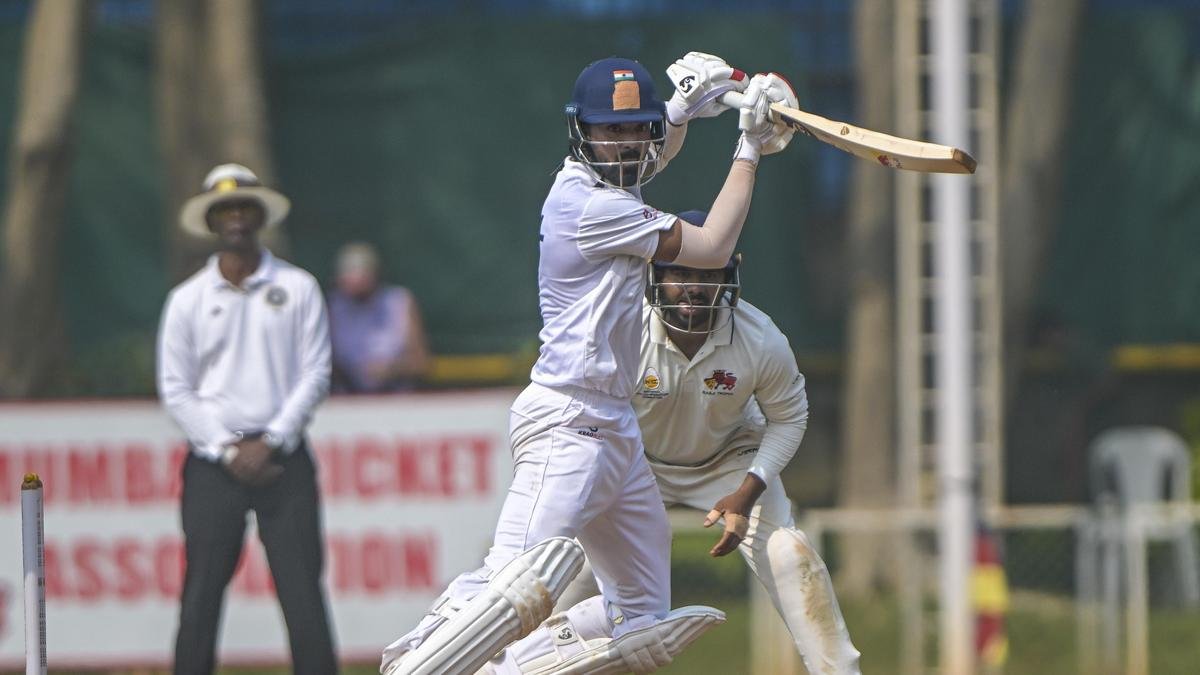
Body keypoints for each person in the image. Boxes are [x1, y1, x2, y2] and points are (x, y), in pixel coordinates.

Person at [379, 53, 796, 675]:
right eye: (610, 130)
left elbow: (646, 158)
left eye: (636, 128)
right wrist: (749, 148)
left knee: (643, 612)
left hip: (617, 430)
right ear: (582, 131)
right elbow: (711, 249)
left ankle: (523, 664)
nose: (625, 143)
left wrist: (680, 110)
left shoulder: (611, 187)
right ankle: (413, 661)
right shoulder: (591, 206)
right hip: (567, 422)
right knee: (508, 585)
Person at [534, 209, 862, 674]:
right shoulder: (621, 332)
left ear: (728, 276)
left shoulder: (760, 339)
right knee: (568, 569)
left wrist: (749, 490)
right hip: (636, 462)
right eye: (679, 274)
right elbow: (588, 413)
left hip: (729, 460)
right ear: (655, 275)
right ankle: (523, 663)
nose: (693, 287)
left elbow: (790, 418)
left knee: (790, 556)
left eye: (707, 275)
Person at [157, 163, 338, 675]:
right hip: (214, 466)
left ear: (259, 216)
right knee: (201, 593)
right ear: (211, 222)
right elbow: (175, 388)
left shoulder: (298, 287)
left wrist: (272, 440)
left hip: (283, 460)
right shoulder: (187, 300)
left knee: (302, 592)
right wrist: (225, 448)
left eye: (243, 207)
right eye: (224, 210)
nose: (235, 217)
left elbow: (316, 373)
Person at [327, 241, 432, 393]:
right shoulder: (333, 307)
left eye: (362, 273)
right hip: (349, 397)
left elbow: (421, 363)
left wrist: (390, 370)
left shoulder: (399, 302)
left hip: (396, 396)